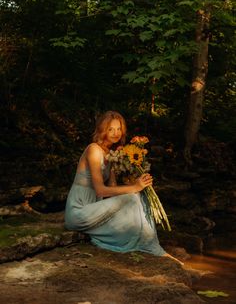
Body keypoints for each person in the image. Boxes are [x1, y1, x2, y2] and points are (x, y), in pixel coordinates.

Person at [65, 111, 183, 264]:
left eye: (119, 129)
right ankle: (152, 248)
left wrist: (138, 182)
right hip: (79, 211)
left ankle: (150, 244)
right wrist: (134, 187)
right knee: (133, 195)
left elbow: (112, 189)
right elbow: (101, 190)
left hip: (96, 207)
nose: (116, 133)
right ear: (102, 129)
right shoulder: (93, 149)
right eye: (111, 129)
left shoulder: (113, 154)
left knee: (141, 195)